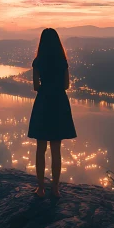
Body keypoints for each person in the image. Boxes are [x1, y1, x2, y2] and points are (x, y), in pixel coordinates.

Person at [27, 28, 77, 198]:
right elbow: (66, 85)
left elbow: (35, 86)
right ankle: (55, 188)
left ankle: (40, 188)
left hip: (43, 103)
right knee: (56, 149)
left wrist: (45, 88)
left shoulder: (38, 61)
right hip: (59, 103)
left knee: (40, 148)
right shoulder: (63, 61)